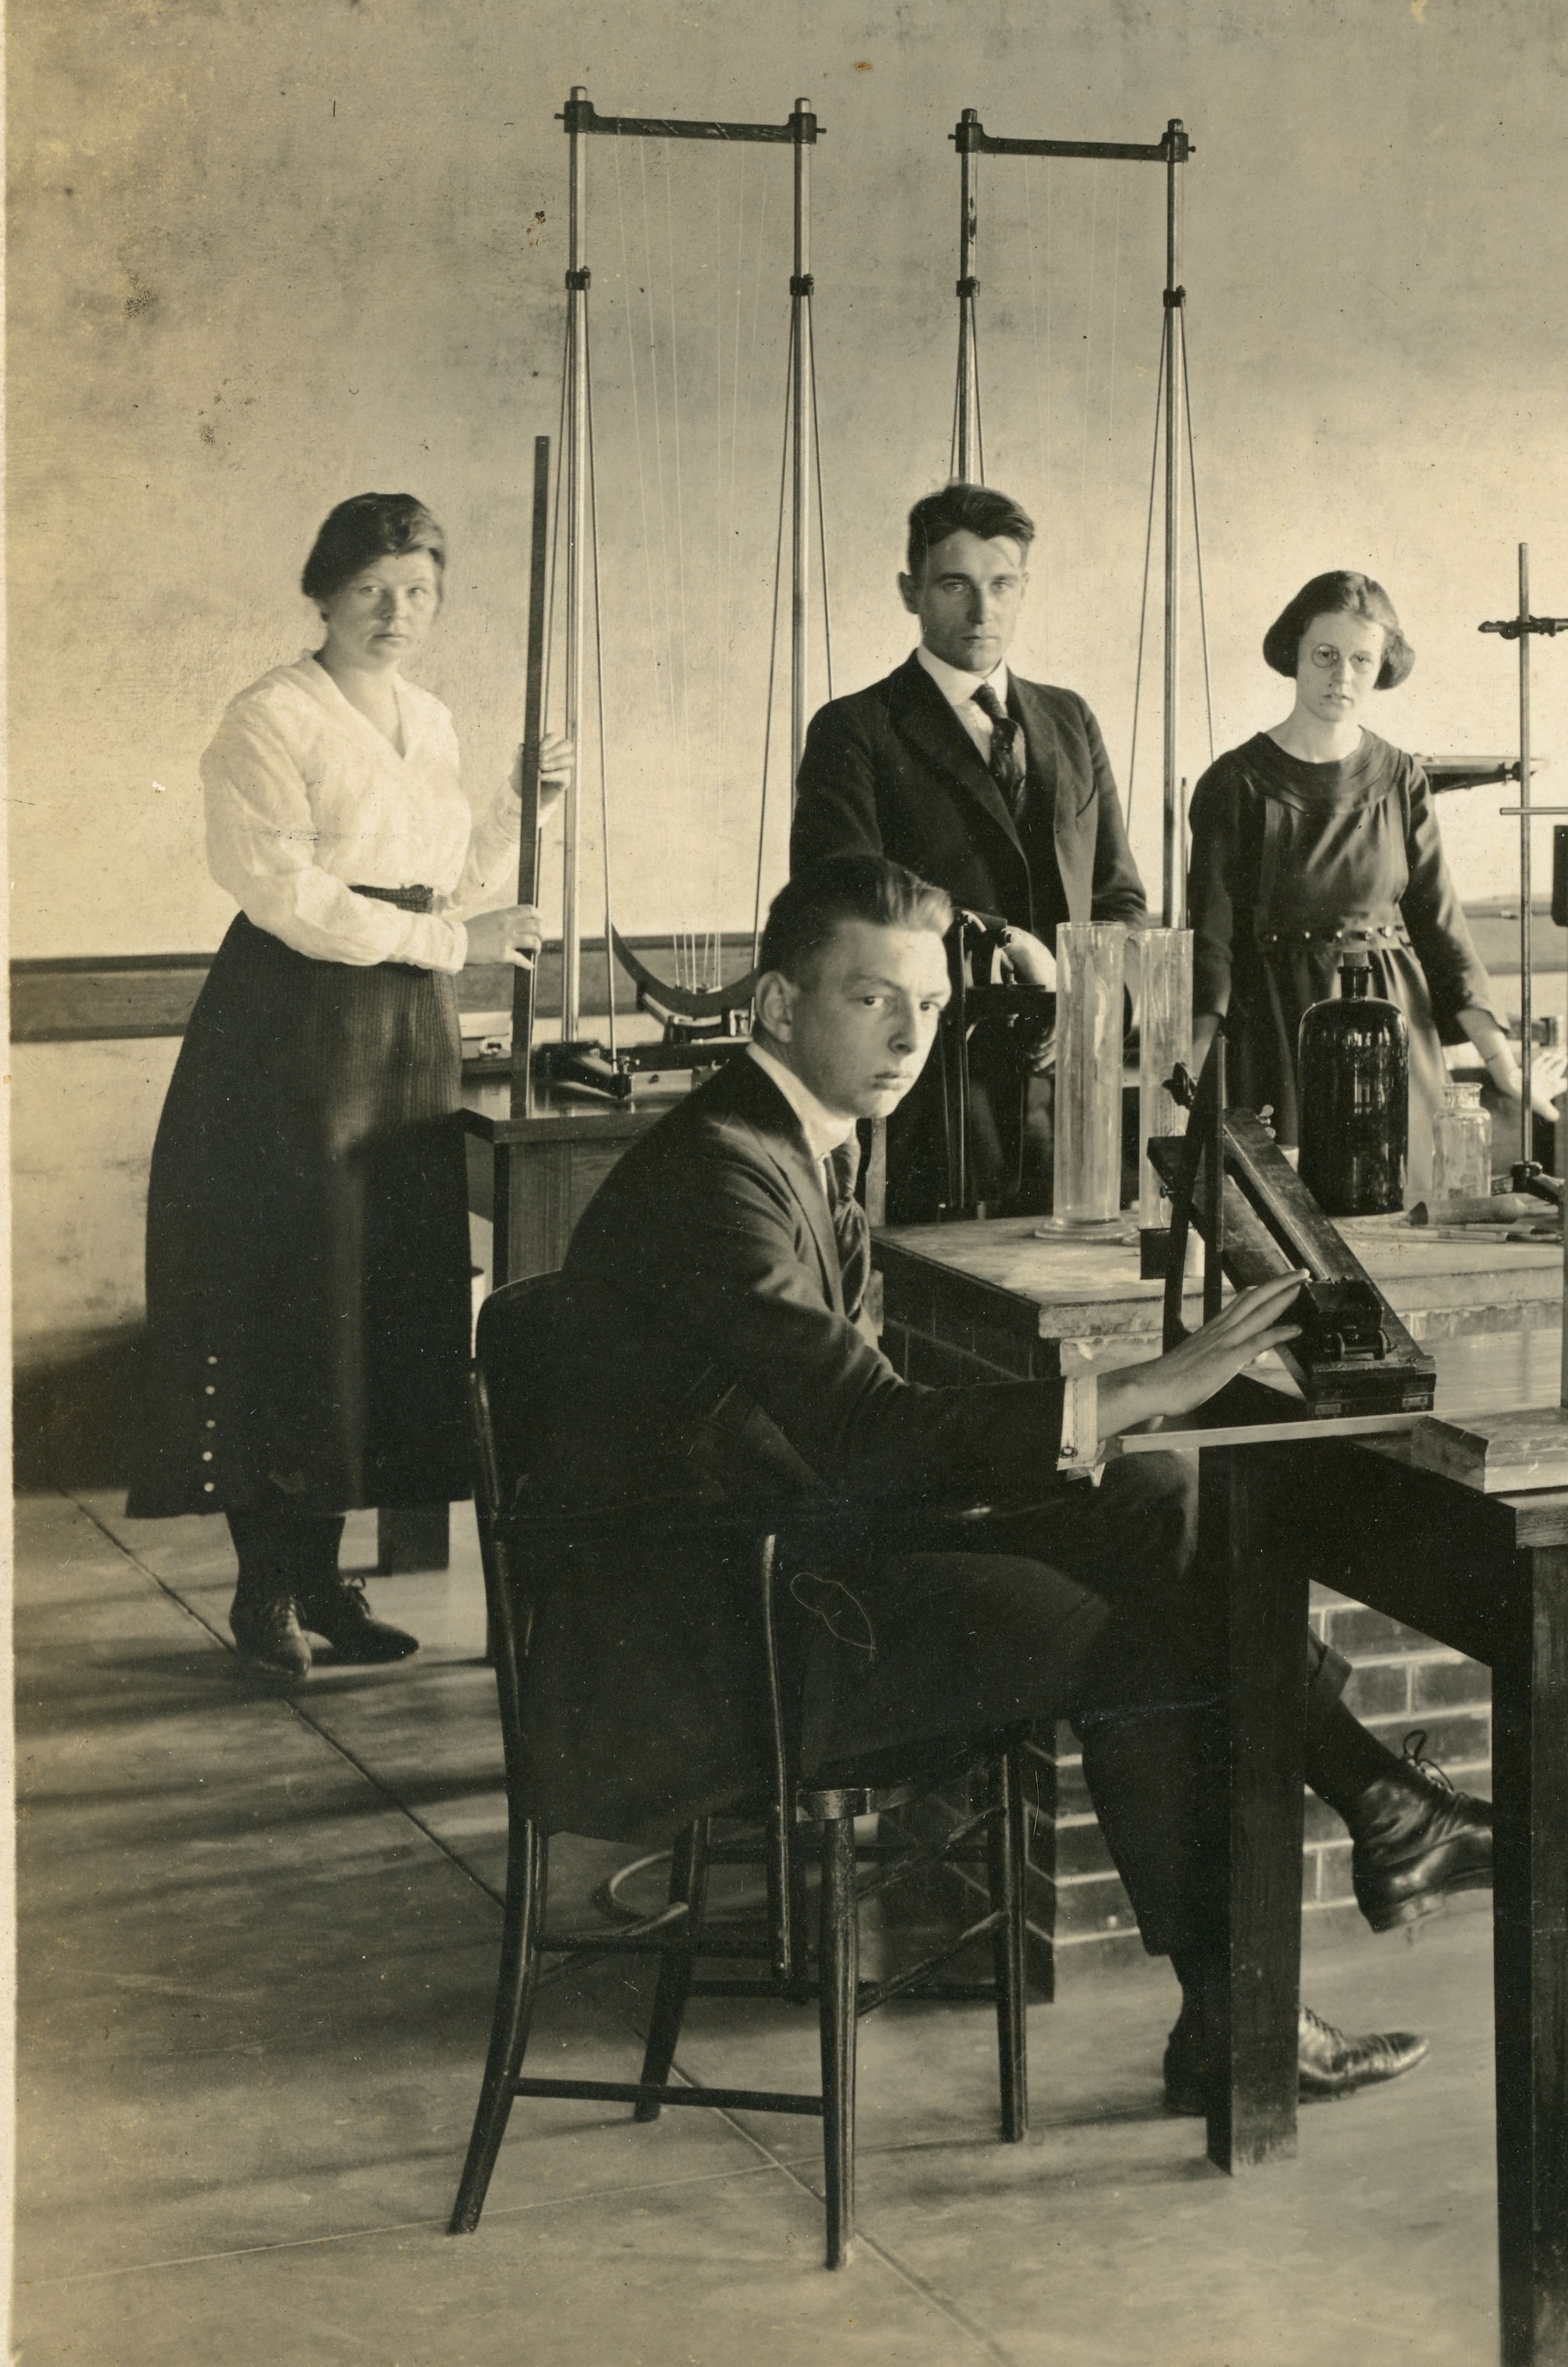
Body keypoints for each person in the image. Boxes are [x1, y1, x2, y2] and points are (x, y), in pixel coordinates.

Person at [549, 852, 1495, 2111]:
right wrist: (1137, 1388)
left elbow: (860, 1435)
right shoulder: (723, 1171)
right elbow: (867, 1431)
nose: (911, 1036)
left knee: (1152, 1500)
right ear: (775, 1004)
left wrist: (1116, 1424)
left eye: (930, 1004)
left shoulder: (792, 1138)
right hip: (708, 1637)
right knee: (1151, 1629)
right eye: (871, 999)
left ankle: (1344, 1857)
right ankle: (1300, 1923)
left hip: (777, 1550)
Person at [137, 493, 562, 1681]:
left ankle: (325, 1581)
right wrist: (451, 945)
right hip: (295, 1032)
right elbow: (288, 893)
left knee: (373, 1305)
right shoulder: (270, 715)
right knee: (292, 1299)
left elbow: (443, 883)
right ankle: (265, 1587)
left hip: (406, 1034)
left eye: (418, 590)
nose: (396, 611)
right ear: (323, 591)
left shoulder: (430, 719)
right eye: (372, 587)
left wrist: (522, 808)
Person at [789, 483, 1151, 1223]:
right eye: (955, 585)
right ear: (911, 591)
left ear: (1024, 589)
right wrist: (1002, 939)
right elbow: (845, 905)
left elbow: (1119, 897)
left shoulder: (1070, 719)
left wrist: (1086, 999)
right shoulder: (855, 728)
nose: (982, 611)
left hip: (1073, 1102)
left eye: (1002, 584)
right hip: (935, 1098)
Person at [1187, 572, 1531, 1166]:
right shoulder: (1234, 782)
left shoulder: (1402, 778)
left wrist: (1504, 1065)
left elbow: (1441, 928)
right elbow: (1211, 946)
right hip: (1279, 1035)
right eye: (1325, 654)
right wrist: (1192, 1074)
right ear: (1294, 651)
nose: (1341, 676)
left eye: (1361, 660)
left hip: (1394, 1035)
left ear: (1380, 667)